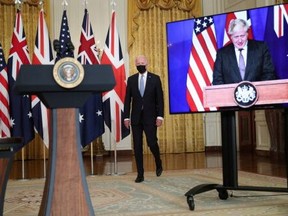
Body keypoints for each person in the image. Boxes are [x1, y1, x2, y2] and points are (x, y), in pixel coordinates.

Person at [124, 55, 164, 183]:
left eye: (142, 62)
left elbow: (160, 100)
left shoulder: (155, 79)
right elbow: (127, 101)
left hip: (150, 117)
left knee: (152, 143)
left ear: (147, 64)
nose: (140, 64)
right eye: (138, 63)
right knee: (137, 146)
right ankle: (140, 174)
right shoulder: (131, 80)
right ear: (135, 65)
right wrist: (126, 117)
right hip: (135, 118)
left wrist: (160, 116)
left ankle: (158, 162)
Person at [212, 18, 276, 85]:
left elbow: (269, 74)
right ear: (231, 37)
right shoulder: (222, 54)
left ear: (247, 34)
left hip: (259, 94)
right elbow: (217, 80)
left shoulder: (261, 48)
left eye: (242, 36)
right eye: (236, 37)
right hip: (230, 95)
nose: (240, 40)